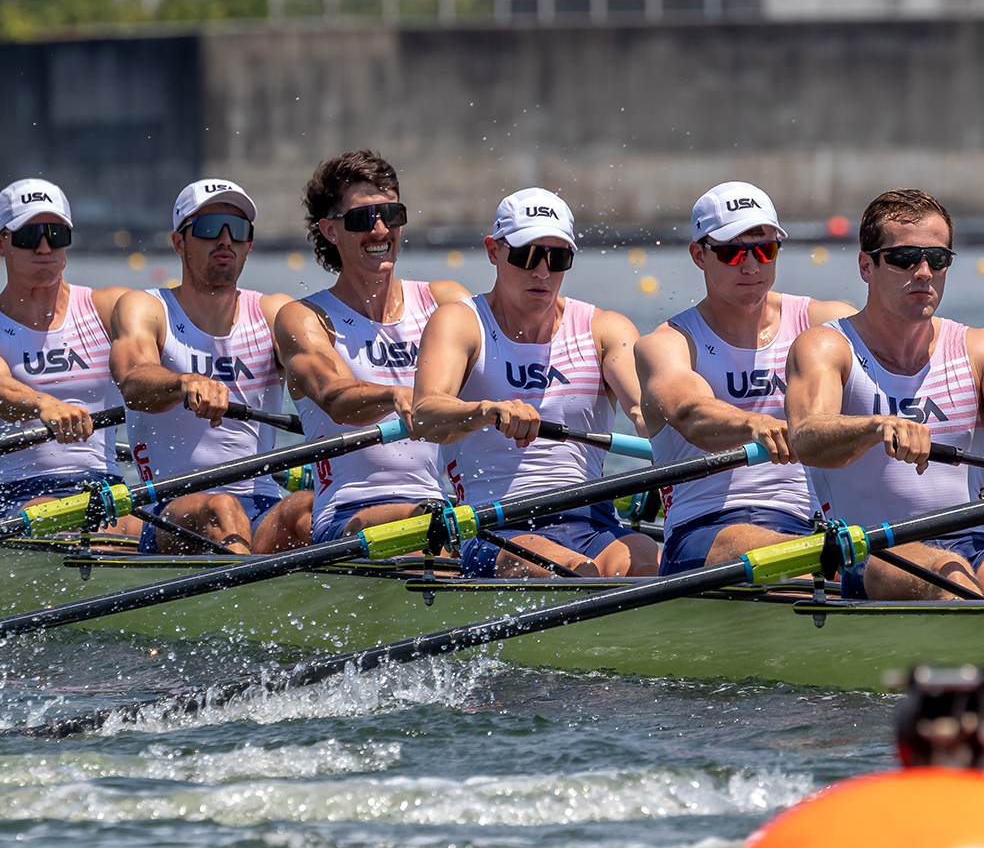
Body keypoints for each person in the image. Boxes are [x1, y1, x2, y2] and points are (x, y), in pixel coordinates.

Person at [788, 189, 984, 599]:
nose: (925, 272)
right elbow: (808, 438)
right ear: (866, 265)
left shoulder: (982, 349)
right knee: (953, 581)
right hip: (869, 552)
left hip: (975, 544)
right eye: (904, 258)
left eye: (939, 259)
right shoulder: (827, 347)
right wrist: (877, 427)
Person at [412, 188, 657, 578]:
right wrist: (485, 410)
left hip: (592, 521)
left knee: (648, 562)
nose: (542, 272)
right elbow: (424, 414)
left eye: (557, 258)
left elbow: (647, 415)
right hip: (494, 527)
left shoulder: (605, 329)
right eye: (527, 256)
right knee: (575, 572)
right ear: (494, 250)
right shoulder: (459, 323)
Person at [636, 181, 855, 574]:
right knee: (806, 564)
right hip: (705, 529)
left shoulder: (825, 324)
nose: (751, 266)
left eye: (764, 249)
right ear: (699, 255)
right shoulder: (668, 344)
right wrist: (754, 423)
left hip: (815, 526)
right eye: (732, 252)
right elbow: (691, 414)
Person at [271, 150, 469, 543]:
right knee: (429, 523)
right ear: (330, 231)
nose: (381, 231)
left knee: (436, 521)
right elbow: (334, 395)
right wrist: (396, 395)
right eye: (363, 219)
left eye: (392, 215)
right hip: (345, 515)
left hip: (439, 509)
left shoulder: (444, 303)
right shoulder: (305, 317)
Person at [113, 178, 302, 554]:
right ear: (179, 242)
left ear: (249, 245)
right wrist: (184, 382)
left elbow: (321, 376)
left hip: (261, 506)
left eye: (239, 230)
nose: (225, 240)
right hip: (170, 508)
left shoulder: (273, 312)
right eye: (210, 228)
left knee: (308, 509)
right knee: (222, 506)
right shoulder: (148, 309)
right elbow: (133, 380)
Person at [0, 178, 140, 535]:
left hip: (110, 490)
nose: (45, 246)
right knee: (92, 531)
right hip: (24, 494)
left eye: (57, 233)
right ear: (0, 242)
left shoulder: (111, 307)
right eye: (30, 235)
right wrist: (42, 405)